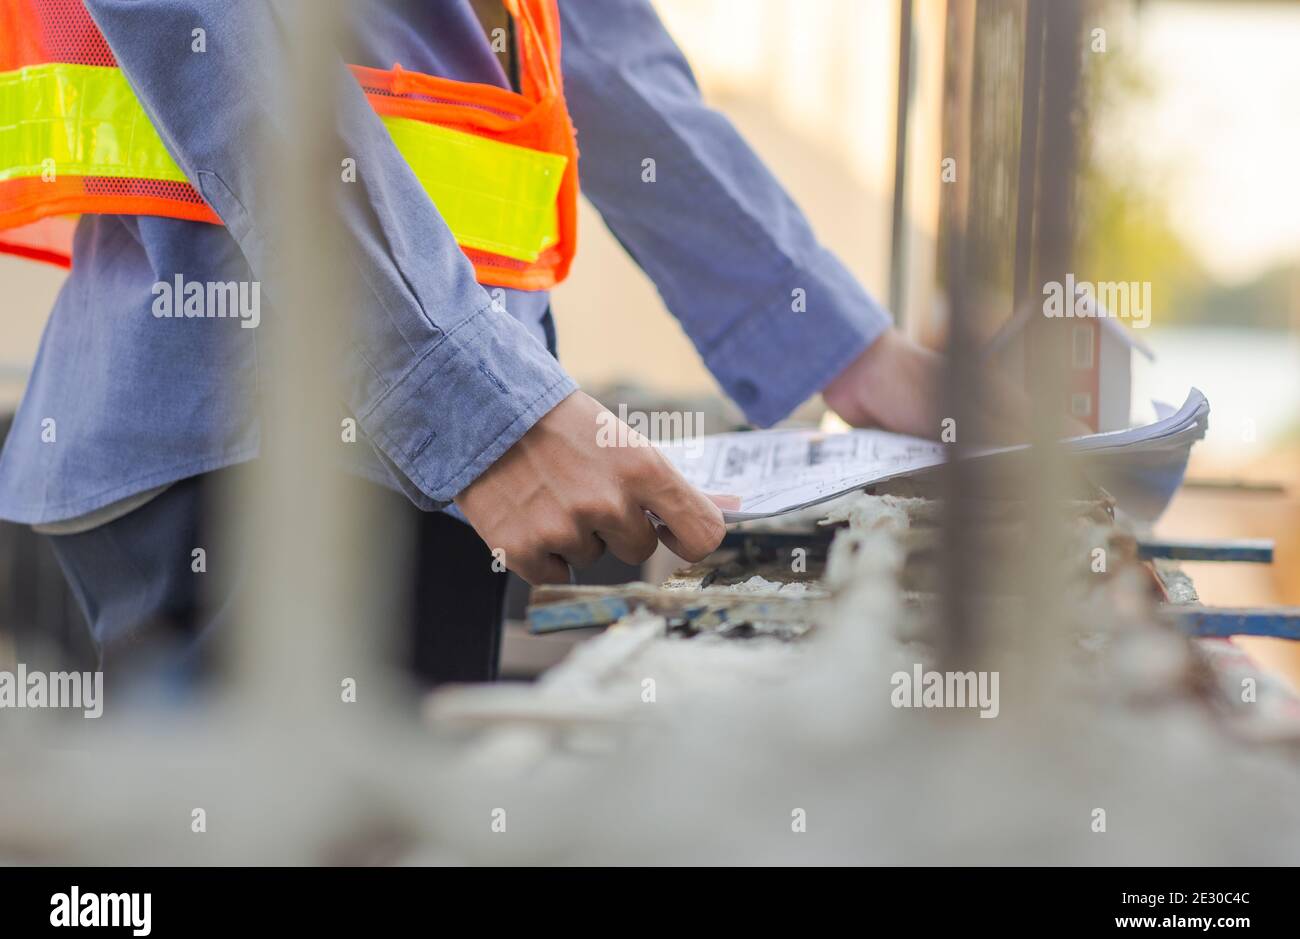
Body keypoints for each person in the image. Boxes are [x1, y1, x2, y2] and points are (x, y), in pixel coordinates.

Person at [0, 0, 943, 684]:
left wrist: (845, 349)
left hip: (433, 443)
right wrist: (472, 402)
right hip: (259, 428)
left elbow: (593, 45)